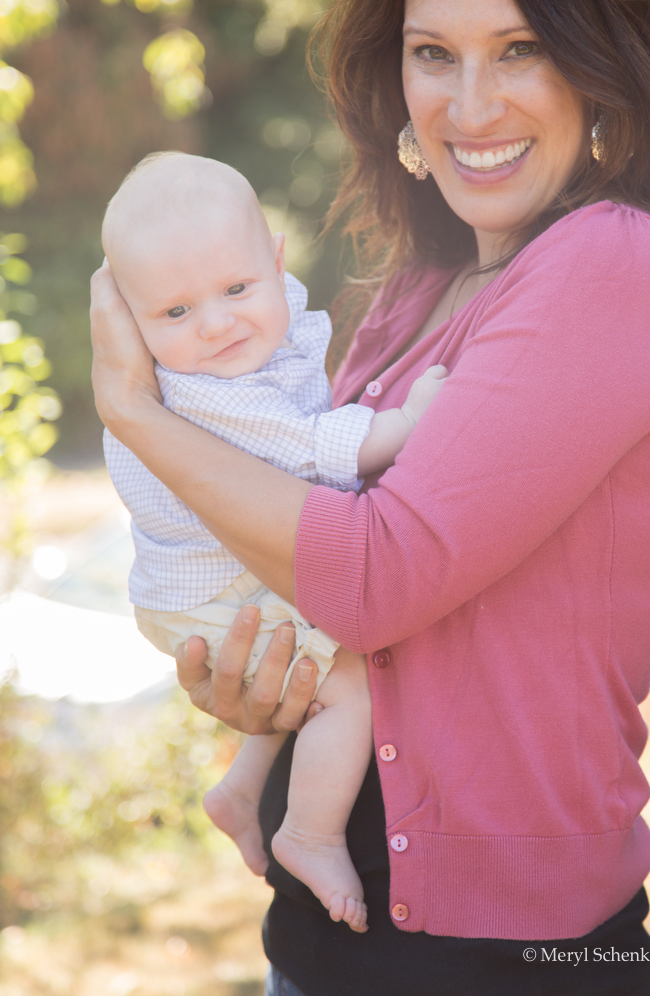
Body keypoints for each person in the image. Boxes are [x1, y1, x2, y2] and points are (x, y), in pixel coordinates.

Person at [90, 0, 650, 996]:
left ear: (600, 62)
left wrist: (135, 412)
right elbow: (314, 569)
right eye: (431, 55)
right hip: (319, 941)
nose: (469, 104)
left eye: (521, 51)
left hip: (502, 964)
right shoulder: (420, 283)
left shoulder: (618, 265)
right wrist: (256, 685)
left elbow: (366, 580)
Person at [100, 151, 447, 933]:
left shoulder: (244, 328)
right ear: (127, 318)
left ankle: (239, 789)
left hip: (224, 580)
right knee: (348, 681)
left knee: (305, 665)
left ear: (277, 262)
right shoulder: (200, 391)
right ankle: (309, 832)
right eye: (175, 313)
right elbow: (307, 446)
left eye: (235, 290)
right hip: (212, 595)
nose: (217, 324)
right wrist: (410, 424)